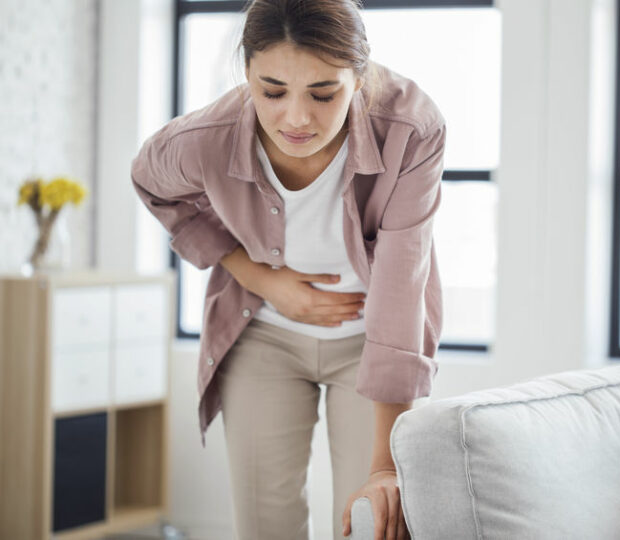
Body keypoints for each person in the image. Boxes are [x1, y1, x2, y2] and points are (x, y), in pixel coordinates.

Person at [130, 0, 446, 538]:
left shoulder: (410, 127)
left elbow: (401, 281)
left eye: (324, 94)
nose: (296, 118)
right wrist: (260, 278)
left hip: (373, 342)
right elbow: (151, 182)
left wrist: (387, 468)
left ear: (360, 77)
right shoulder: (206, 138)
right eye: (272, 91)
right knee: (265, 527)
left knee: (373, 522)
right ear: (247, 72)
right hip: (264, 337)